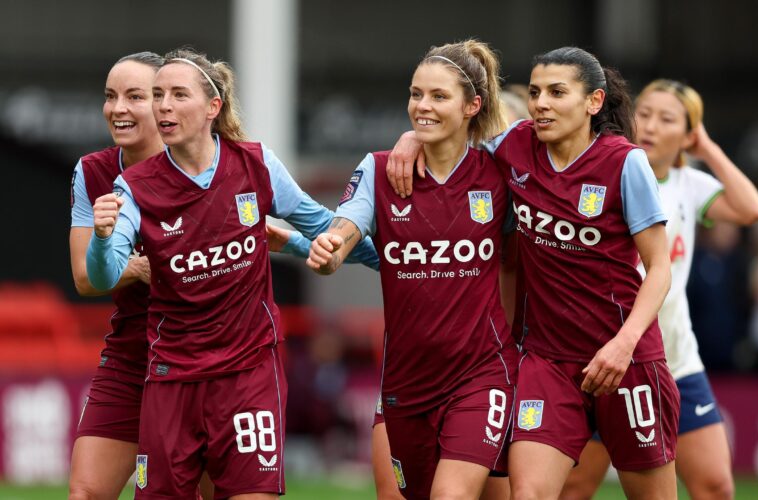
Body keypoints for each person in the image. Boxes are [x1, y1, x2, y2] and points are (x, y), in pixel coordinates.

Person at [387, 46, 680, 500]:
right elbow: (450, 135)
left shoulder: (625, 163)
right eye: (538, 91)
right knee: (529, 494)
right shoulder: (513, 146)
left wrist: (624, 345)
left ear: (593, 102)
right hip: (546, 361)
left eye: (558, 92)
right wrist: (412, 138)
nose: (541, 102)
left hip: (625, 360)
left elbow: (659, 267)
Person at [85, 48, 373, 499]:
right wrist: (103, 238)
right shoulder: (134, 188)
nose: (164, 106)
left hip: (248, 373)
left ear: (212, 107)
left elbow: (324, 228)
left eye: (179, 95)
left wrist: (399, 259)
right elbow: (102, 278)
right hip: (173, 379)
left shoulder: (256, 165)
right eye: (158, 95)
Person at [307, 39, 517, 500]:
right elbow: (347, 224)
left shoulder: (499, 170)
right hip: (407, 380)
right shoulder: (379, 170)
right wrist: (331, 246)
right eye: (415, 93)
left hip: (482, 370)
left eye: (439, 96)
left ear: (472, 106)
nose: (422, 106)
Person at [560, 79, 758, 500]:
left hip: (676, 362)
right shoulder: (603, 170)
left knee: (717, 486)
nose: (650, 125)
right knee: (576, 487)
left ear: (687, 135)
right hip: (604, 360)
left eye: (667, 119)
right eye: (644, 113)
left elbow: (751, 208)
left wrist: (704, 148)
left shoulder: (689, 184)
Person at [68, 51, 167, 500]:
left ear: (165, 104)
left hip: (204, 358)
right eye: (111, 97)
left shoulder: (211, 164)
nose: (118, 108)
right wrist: (141, 267)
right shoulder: (92, 171)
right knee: (85, 493)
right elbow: (86, 277)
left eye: (134, 96)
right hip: (129, 354)